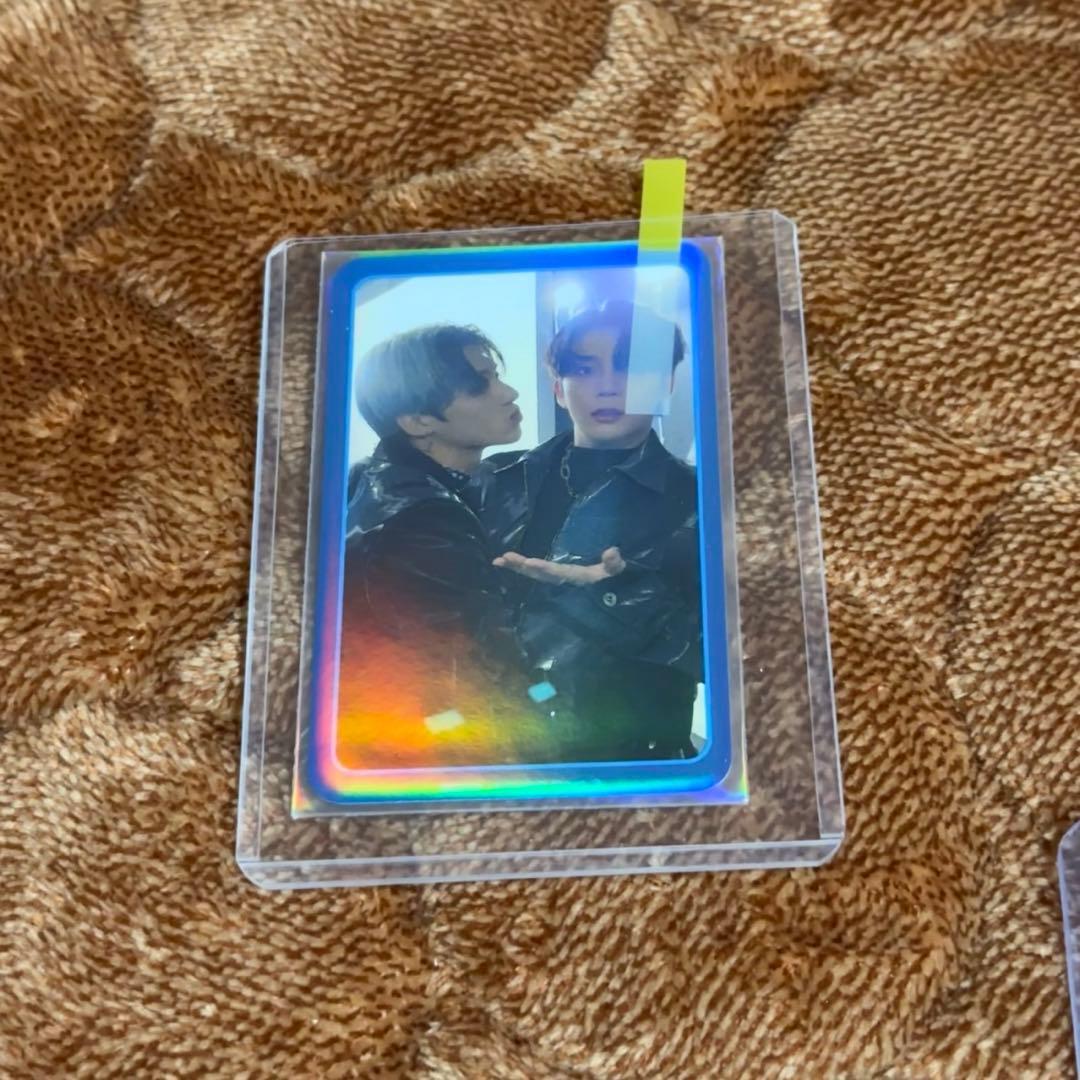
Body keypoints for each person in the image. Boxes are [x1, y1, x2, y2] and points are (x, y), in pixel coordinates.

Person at [338, 323, 620, 769]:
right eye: (479, 384)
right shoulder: (422, 519)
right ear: (417, 421)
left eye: (496, 376)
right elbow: (479, 672)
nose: (507, 393)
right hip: (437, 760)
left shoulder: (379, 480)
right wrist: (554, 713)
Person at [478, 300, 702, 762]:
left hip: (634, 766)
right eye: (584, 369)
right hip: (489, 752)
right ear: (558, 388)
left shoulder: (704, 498)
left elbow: (734, 658)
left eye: (629, 367)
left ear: (666, 384)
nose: (607, 385)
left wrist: (612, 595)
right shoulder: (497, 479)